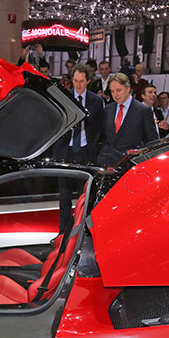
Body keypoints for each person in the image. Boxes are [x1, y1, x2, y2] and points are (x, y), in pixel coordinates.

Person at [53, 65, 104, 231]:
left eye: (82, 81)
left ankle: (84, 233)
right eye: (75, 80)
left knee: (86, 196)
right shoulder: (64, 98)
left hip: (85, 152)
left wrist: (93, 147)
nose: (78, 84)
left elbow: (98, 128)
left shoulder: (96, 101)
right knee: (64, 197)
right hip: (65, 152)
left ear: (88, 81)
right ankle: (63, 234)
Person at [96, 73, 158, 167]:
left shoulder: (143, 111)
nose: (115, 95)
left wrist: (136, 153)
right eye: (112, 91)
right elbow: (103, 137)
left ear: (128, 88)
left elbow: (152, 141)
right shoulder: (108, 109)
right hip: (106, 164)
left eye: (118, 90)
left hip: (129, 165)